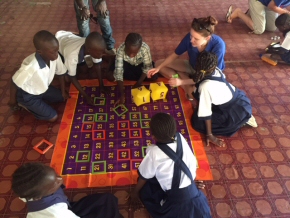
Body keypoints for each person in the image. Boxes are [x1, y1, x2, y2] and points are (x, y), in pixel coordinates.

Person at [127, 113, 212, 218]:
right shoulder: (180, 137)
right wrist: (191, 183)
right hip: (197, 200)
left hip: (176, 207)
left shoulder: (154, 152)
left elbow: (144, 176)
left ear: (153, 136)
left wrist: (135, 192)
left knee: (147, 189)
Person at [148, 16, 226, 100]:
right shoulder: (190, 37)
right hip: (191, 66)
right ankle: (180, 78)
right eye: (191, 36)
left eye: (196, 39)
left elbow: (210, 75)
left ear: (207, 38)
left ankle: (183, 80)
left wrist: (182, 82)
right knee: (158, 64)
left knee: (194, 95)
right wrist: (158, 68)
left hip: (205, 76)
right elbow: (175, 55)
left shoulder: (218, 45)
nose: (191, 40)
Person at [190, 51, 258, 147]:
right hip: (241, 101)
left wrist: (210, 135)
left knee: (197, 122)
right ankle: (245, 117)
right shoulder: (216, 70)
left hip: (232, 112)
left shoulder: (204, 86)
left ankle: (241, 122)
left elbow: (206, 113)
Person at [11, 162, 123, 218]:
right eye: (54, 183)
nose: (60, 179)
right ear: (38, 196)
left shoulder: (28, 191)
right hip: (67, 213)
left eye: (55, 174)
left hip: (67, 208)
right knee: (110, 206)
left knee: (107, 199)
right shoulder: (58, 213)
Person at [8, 30, 69, 122]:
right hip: (29, 95)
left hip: (43, 88)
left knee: (62, 97)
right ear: (40, 52)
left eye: (57, 50)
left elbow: (61, 73)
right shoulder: (31, 67)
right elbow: (14, 82)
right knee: (53, 117)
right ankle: (23, 102)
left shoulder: (54, 56)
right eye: (53, 52)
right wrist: (12, 102)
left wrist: (63, 92)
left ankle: (39, 103)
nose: (56, 55)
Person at [56, 30, 108, 105]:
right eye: (100, 53)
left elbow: (97, 65)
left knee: (84, 70)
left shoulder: (93, 47)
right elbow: (72, 77)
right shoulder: (72, 56)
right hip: (58, 42)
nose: (102, 55)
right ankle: (62, 60)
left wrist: (101, 85)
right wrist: (86, 96)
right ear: (89, 50)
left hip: (70, 37)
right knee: (67, 79)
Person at [111, 33, 158, 106]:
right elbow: (119, 72)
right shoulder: (121, 49)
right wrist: (122, 95)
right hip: (127, 65)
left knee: (153, 76)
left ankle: (134, 78)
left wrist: (138, 83)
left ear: (139, 49)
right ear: (125, 45)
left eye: (134, 53)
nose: (131, 55)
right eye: (128, 52)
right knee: (114, 75)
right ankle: (112, 61)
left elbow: (147, 67)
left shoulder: (144, 48)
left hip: (139, 66)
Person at [226, 1, 290, 34]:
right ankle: (238, 13)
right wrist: (286, 13)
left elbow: (288, 5)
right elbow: (272, 6)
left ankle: (252, 13)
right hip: (259, 1)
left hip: (269, 3)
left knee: (272, 28)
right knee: (259, 30)